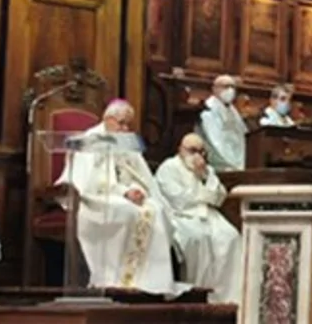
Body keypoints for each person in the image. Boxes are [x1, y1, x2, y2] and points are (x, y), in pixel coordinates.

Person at [55, 100, 181, 296]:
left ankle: (149, 281)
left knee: (155, 209)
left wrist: (136, 189)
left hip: (125, 195)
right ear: (108, 119)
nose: (125, 129)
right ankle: (113, 279)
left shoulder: (125, 141)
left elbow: (139, 175)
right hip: (96, 198)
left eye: (128, 124)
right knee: (126, 211)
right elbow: (89, 180)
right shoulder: (91, 140)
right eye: (121, 123)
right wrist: (123, 192)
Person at [154, 133, 242, 304]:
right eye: (192, 150)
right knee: (197, 239)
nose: (198, 156)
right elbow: (178, 198)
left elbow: (219, 196)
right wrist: (205, 195)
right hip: (182, 215)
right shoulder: (169, 167)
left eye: (202, 152)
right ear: (181, 150)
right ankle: (197, 294)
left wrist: (204, 177)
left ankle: (228, 297)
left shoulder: (206, 170)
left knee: (231, 236)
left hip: (209, 215)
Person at [197, 75, 247, 171]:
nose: (230, 90)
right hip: (218, 165)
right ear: (214, 89)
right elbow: (214, 141)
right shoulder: (208, 110)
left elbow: (242, 136)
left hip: (236, 164)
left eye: (233, 87)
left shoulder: (233, 110)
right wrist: (229, 164)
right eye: (226, 86)